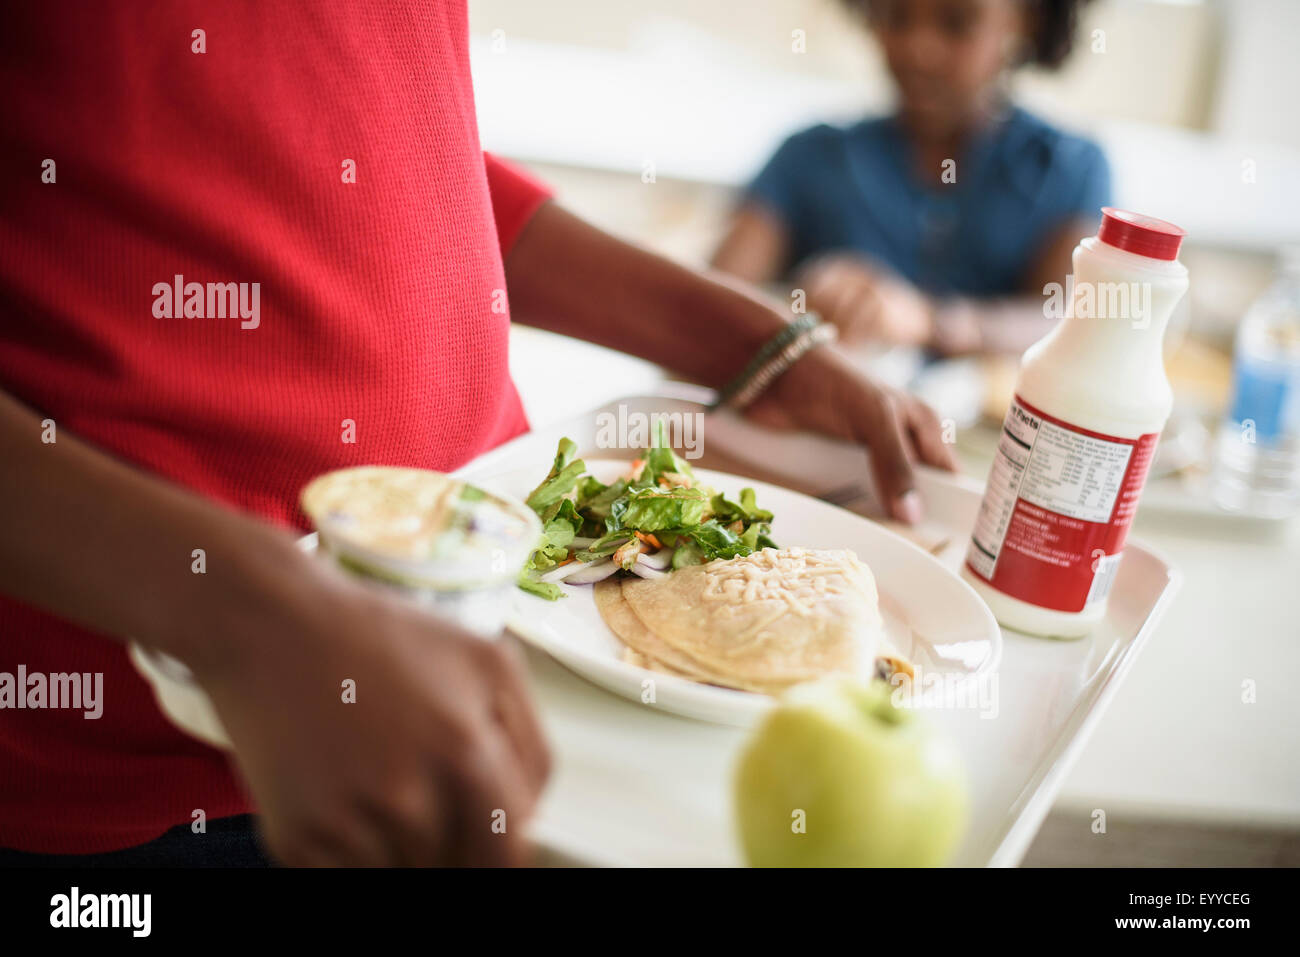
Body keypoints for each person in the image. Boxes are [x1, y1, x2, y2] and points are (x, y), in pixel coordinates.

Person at [0, 2, 954, 866]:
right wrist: (245, 615)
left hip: (510, 645)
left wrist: (756, 343)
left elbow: (400, 163)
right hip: (147, 757)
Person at [712, 0, 1110, 356]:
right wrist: (799, 296)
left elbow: (1067, 324)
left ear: (1028, 21)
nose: (918, 50)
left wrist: (930, 321)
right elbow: (713, 297)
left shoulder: (1070, 168)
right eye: (897, 15)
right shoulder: (809, 156)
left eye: (958, 22)